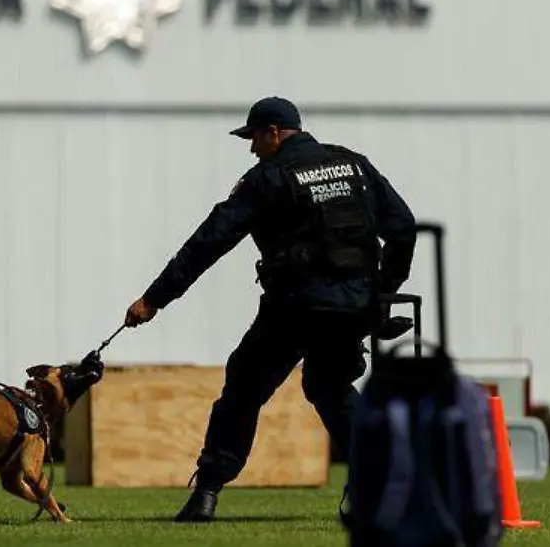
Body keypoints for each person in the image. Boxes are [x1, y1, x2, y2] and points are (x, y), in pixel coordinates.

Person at [122, 95, 418, 522]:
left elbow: (210, 241)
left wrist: (154, 299)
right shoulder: (355, 166)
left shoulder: (268, 178)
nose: (252, 148)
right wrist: (382, 289)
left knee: (243, 388)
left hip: (294, 308)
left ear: (274, 133)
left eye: (254, 138)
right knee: (331, 388)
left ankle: (207, 491)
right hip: (352, 307)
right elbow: (403, 227)